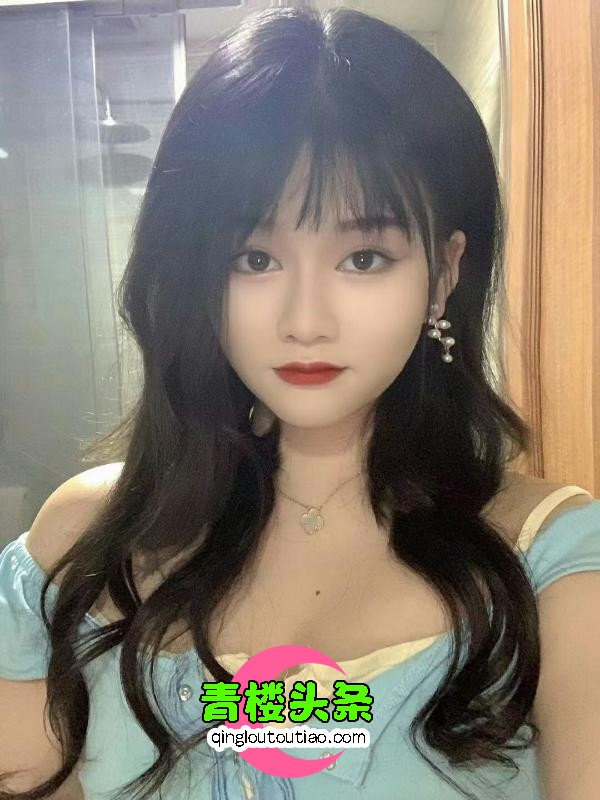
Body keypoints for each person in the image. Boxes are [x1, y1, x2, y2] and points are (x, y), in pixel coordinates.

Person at [1, 6, 599, 800]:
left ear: (445, 273)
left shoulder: (552, 563)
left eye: (364, 257)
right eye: (255, 258)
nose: (305, 320)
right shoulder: (85, 540)